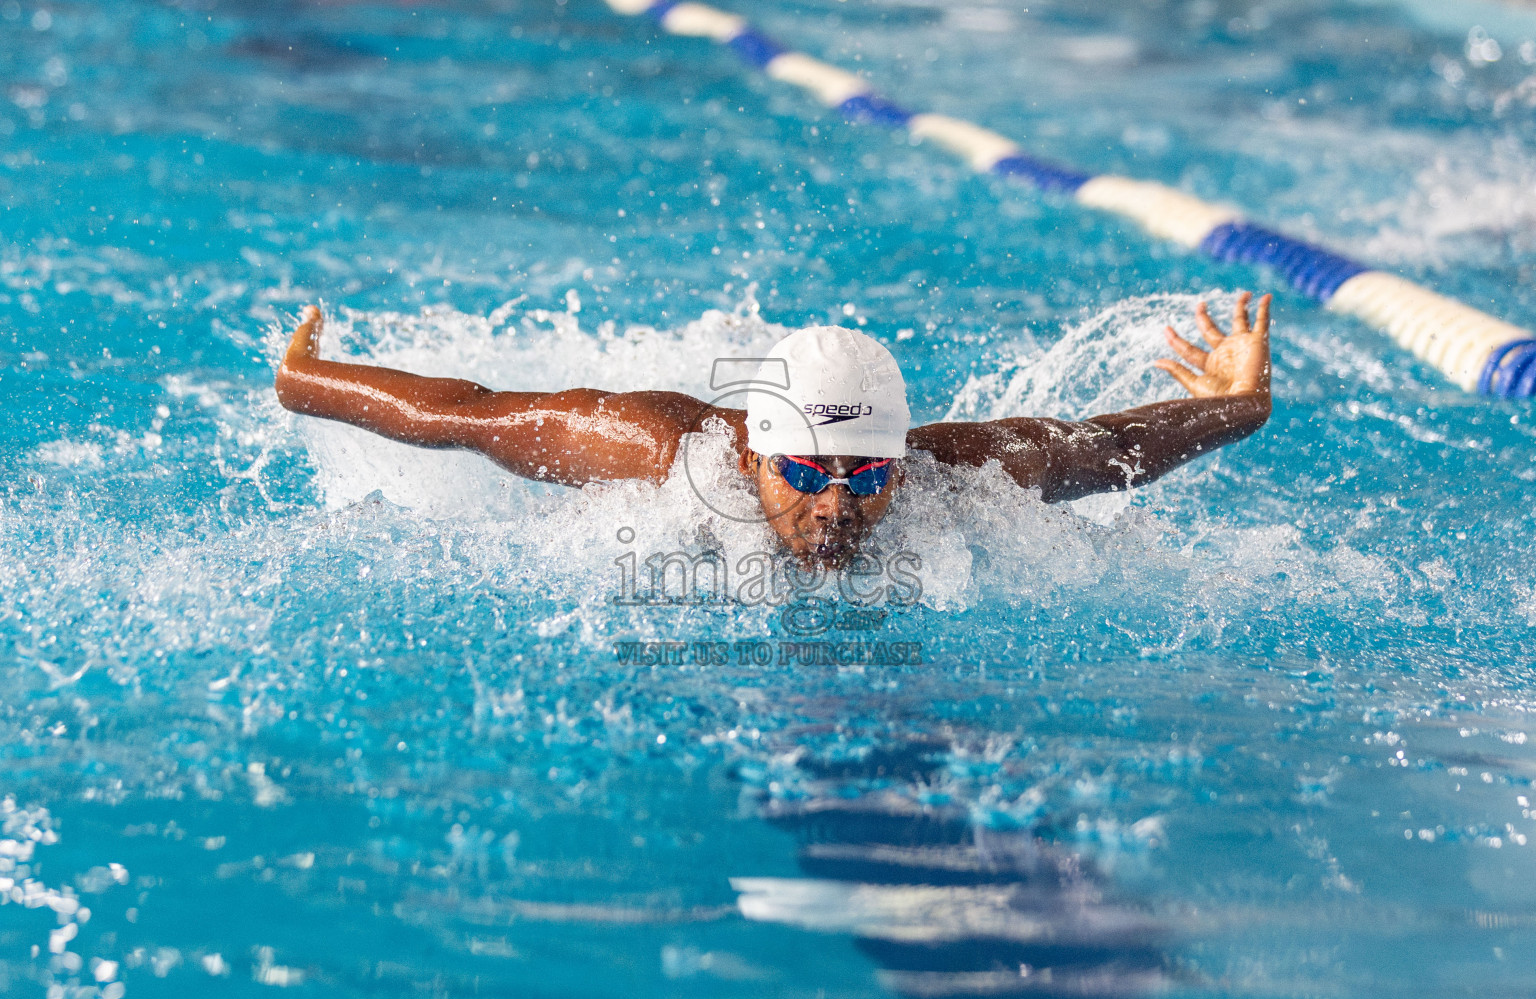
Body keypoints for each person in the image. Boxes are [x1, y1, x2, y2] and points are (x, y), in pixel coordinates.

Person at [274, 293, 1272, 568]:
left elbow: (1103, 451)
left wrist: (1239, 406)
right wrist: (307, 380)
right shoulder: (659, 449)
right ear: (752, 453)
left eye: (864, 473)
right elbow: (469, 414)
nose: (838, 501)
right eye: (802, 466)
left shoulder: (937, 472)